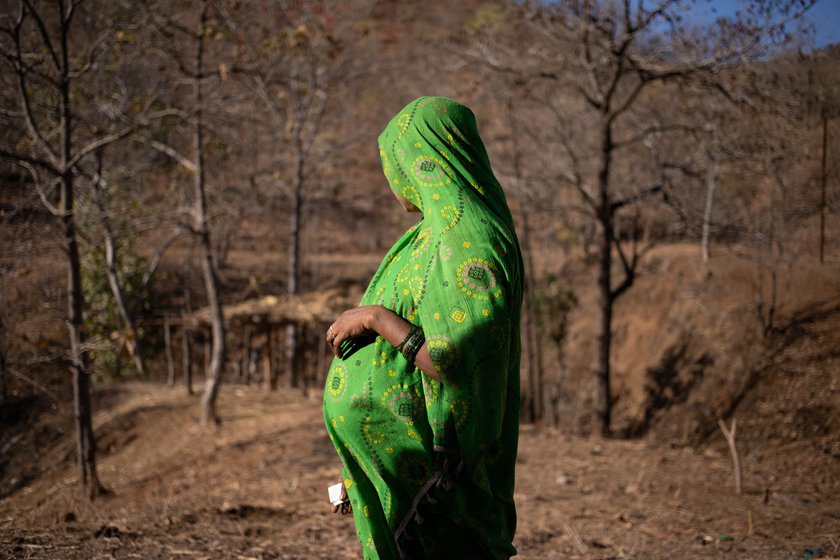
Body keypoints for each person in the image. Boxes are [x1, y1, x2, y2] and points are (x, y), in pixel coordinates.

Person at [323, 96, 523, 559]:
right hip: (412, 477)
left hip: (441, 489)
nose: (394, 174)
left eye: (396, 159)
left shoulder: (469, 234)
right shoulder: (432, 233)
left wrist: (375, 318)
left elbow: (458, 361)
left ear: (423, 156)